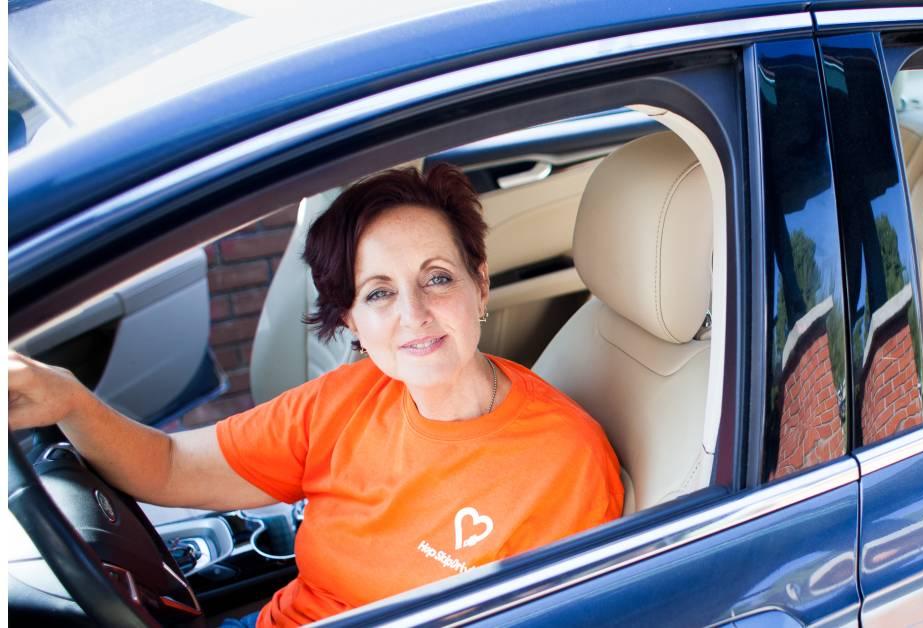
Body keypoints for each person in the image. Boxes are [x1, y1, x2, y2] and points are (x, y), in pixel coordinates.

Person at [8, 165, 625, 627]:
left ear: (480, 285)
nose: (414, 313)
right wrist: (70, 403)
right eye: (379, 293)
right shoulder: (345, 399)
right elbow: (170, 466)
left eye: (437, 278)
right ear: (352, 321)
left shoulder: (564, 463)